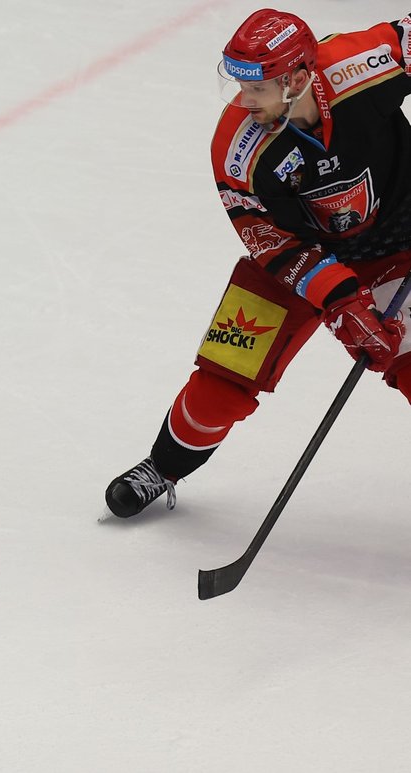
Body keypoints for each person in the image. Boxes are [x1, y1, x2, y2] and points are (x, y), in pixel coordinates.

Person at [106, 9, 411, 518]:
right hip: (295, 260)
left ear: (297, 78)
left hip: (397, 245)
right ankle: (163, 466)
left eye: (258, 89)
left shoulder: (362, 64)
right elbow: (274, 246)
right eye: (239, 86)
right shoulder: (237, 150)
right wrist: (341, 303)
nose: (243, 102)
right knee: (223, 376)